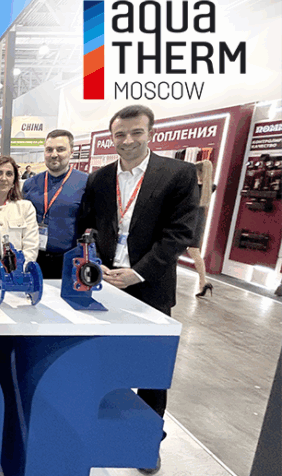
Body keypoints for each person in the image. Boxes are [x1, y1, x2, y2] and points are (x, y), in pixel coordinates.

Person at [79, 105, 198, 474]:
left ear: (150, 133)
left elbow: (179, 234)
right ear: (112, 137)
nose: (128, 140)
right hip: (105, 284)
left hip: (150, 287)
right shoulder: (100, 178)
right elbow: (88, 224)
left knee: (151, 369)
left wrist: (139, 273)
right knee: (100, 361)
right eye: (120, 134)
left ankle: (148, 443)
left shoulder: (178, 174)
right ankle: (98, 433)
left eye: (136, 132)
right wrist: (94, 260)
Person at [22, 130, 88, 279]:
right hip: (33, 258)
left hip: (68, 261)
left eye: (60, 149)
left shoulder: (85, 183)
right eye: (49, 150)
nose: (54, 154)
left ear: (71, 152)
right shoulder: (30, 184)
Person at [189, 160, 215, 298]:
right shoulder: (210, 187)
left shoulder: (192, 187)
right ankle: (203, 282)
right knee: (195, 252)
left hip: (188, 221)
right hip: (198, 221)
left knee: (173, 249)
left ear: (199, 172)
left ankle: (203, 282)